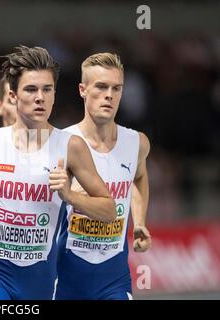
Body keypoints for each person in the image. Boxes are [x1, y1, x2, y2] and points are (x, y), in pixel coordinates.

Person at [0, 46, 116, 300]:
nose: (40, 98)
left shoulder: (71, 146)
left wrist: (70, 196)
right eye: (31, 90)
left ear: (55, 94)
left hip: (39, 282)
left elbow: (109, 211)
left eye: (47, 89)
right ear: (12, 96)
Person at [56, 53, 151, 300]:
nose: (109, 95)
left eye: (116, 88)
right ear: (82, 90)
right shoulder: (61, 143)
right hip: (67, 276)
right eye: (101, 87)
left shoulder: (136, 142)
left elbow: (139, 177)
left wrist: (139, 222)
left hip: (114, 278)